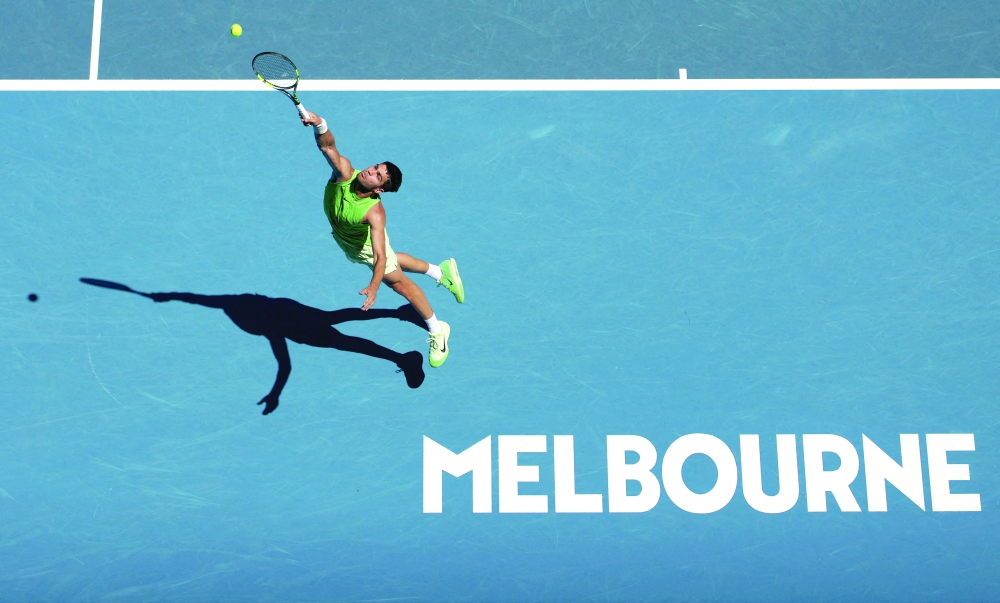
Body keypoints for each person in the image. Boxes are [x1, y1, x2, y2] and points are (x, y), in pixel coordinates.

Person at [299, 110, 464, 368]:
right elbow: (328, 146)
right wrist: (320, 124)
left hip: (365, 248)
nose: (370, 171)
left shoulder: (375, 214)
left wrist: (375, 286)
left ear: (379, 190)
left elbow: (380, 257)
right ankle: (440, 272)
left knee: (399, 283)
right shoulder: (344, 174)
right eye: (375, 167)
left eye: (377, 175)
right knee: (394, 262)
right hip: (350, 243)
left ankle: (437, 329)